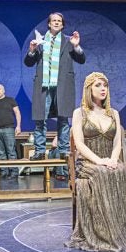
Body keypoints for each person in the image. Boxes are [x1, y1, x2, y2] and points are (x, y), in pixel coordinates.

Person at [66, 72, 126, 252]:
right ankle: (103, 233)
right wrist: (99, 161)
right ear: (89, 89)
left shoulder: (114, 113)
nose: (103, 89)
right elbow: (79, 143)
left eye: (105, 85)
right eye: (98, 85)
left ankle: (117, 231)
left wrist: (111, 160)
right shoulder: (80, 113)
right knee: (102, 173)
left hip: (109, 159)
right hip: (88, 162)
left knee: (118, 172)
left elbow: (117, 142)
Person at [24, 12, 86, 161]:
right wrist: (32, 50)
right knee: (40, 119)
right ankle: (39, 151)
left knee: (63, 119)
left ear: (63, 25)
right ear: (49, 24)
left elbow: (81, 59)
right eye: (54, 20)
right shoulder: (41, 41)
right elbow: (28, 63)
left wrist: (76, 46)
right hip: (44, 85)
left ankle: (64, 150)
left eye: (59, 21)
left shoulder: (68, 41)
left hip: (62, 85)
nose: (57, 23)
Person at [0, 83, 21, 179]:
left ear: (4, 90)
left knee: (11, 151)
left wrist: (18, 126)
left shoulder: (10, 100)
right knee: (1, 153)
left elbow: (17, 113)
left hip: (8, 129)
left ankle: (14, 172)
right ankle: (4, 172)